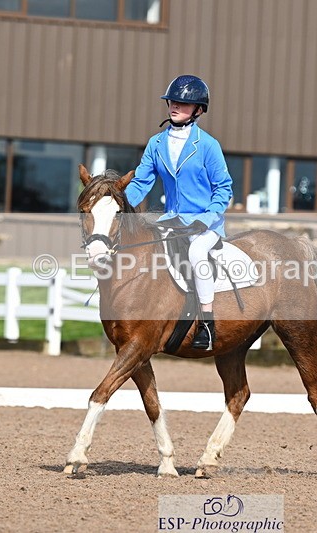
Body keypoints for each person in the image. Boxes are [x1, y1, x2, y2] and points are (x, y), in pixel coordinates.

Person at [124, 75, 233, 351]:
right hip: (171, 220)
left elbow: (223, 188)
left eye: (183, 103)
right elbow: (141, 182)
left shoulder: (207, 145)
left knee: (196, 253)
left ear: (198, 110)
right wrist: (118, 204)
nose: (174, 106)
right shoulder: (156, 143)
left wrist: (206, 218)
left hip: (205, 223)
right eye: (172, 101)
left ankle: (206, 323)